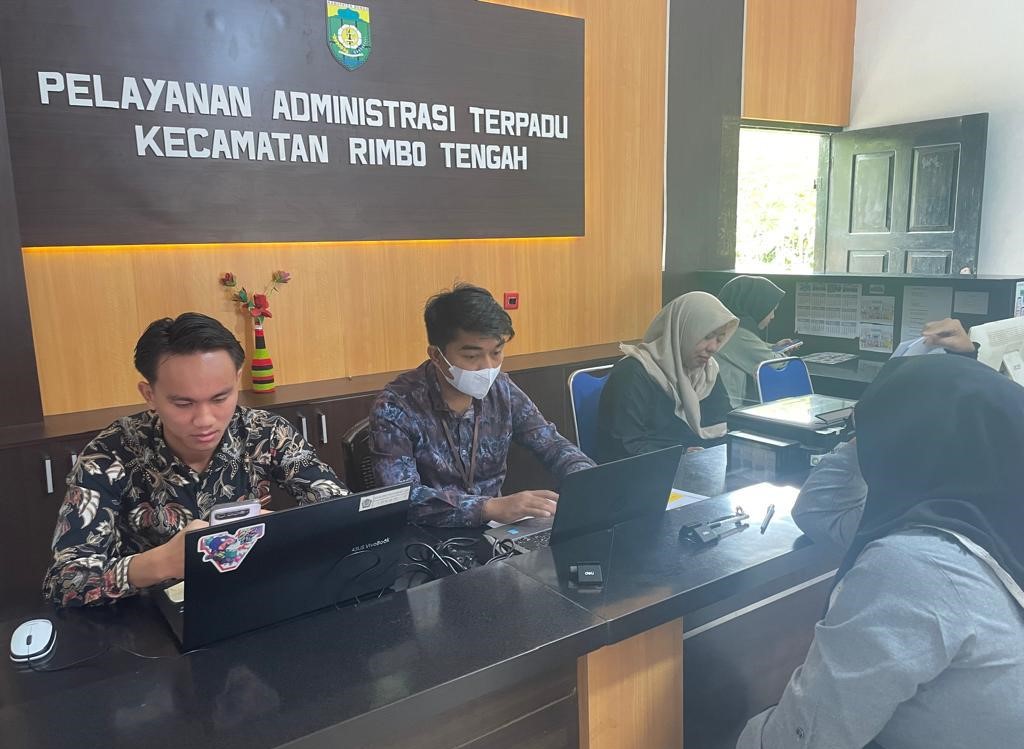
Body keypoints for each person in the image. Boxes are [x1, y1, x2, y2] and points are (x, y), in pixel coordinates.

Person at [737, 354, 1024, 749]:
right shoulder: (992, 519)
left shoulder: (916, 565)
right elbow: (819, 511)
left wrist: (869, 432)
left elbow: (801, 741)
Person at [43, 313, 348, 607]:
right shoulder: (111, 453)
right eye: (183, 403)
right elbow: (63, 581)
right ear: (149, 394)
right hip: (148, 619)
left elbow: (344, 514)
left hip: (253, 597)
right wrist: (161, 563)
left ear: (237, 380)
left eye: (220, 398)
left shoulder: (266, 432)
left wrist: (281, 530)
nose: (205, 420)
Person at [369, 283, 594, 527]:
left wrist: (584, 477)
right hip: (428, 538)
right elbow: (401, 499)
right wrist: (488, 508)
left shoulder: (501, 388)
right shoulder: (396, 406)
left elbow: (550, 442)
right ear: (436, 355)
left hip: (497, 531)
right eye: (471, 356)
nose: (487, 367)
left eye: (496, 353)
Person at [594, 292, 738, 463]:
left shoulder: (708, 370)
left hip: (698, 466)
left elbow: (723, 423)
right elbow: (623, 446)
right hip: (648, 469)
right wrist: (681, 456)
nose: (713, 347)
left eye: (719, 339)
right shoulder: (633, 372)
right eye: (707, 336)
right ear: (683, 331)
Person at [715, 275, 794, 406]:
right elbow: (776, 364)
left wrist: (773, 347)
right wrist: (783, 353)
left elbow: (749, 348)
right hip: (728, 408)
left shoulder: (729, 327)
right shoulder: (736, 333)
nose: (773, 316)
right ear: (758, 305)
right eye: (772, 310)